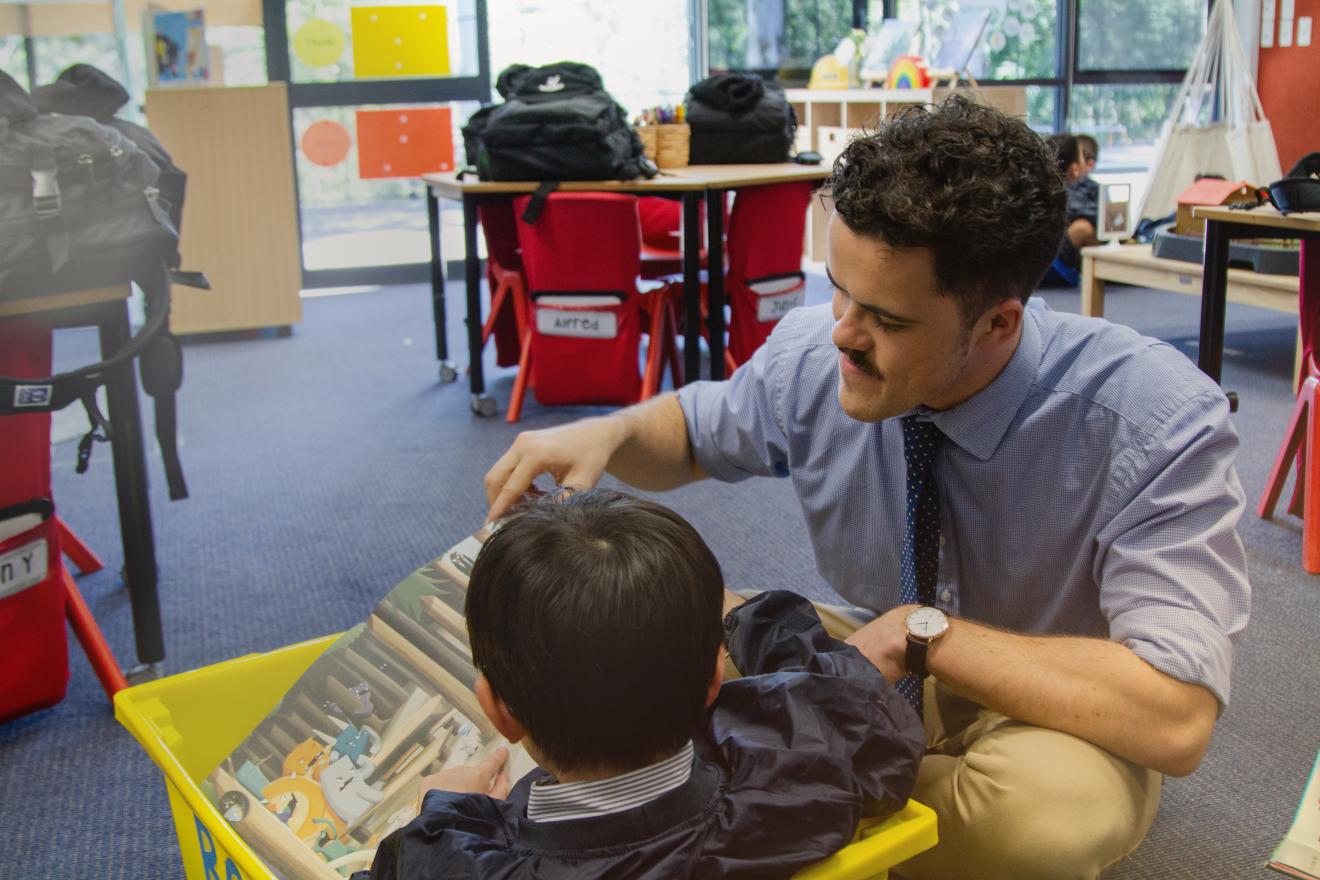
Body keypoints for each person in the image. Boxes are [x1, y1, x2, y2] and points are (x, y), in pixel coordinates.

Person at [481, 95, 1250, 880]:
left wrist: (923, 635)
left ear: (997, 325)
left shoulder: (1152, 418)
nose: (843, 332)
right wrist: (607, 433)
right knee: (618, 632)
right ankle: (781, 804)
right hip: (861, 657)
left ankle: (723, 802)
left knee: (1044, 819)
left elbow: (1176, 715)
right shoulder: (822, 348)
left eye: (886, 317)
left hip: (1040, 705)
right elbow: (693, 432)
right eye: (838, 288)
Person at [364, 489, 925, 879]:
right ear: (714, 676)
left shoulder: (448, 858)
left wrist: (440, 808)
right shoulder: (805, 768)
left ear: (497, 711)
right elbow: (846, 693)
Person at [1047, 133, 1101, 282]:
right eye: (1082, 157)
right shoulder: (1064, 190)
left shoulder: (1045, 183)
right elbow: (1094, 214)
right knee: (1085, 228)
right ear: (1074, 168)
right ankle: (1108, 274)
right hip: (1045, 261)